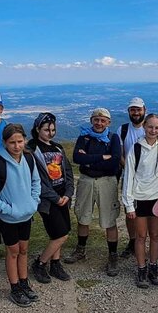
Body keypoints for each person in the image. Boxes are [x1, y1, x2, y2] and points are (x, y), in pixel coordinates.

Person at [0, 124, 41, 307]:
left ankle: (24, 282)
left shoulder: (29, 159)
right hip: (8, 218)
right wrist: (8, 210)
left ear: (25, 140)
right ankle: (14, 287)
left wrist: (33, 202)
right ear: (4, 143)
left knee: (24, 249)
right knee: (13, 251)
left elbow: (36, 182)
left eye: (20, 141)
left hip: (26, 214)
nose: (17, 146)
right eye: (12, 142)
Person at [64, 108, 122, 276]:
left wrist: (89, 161)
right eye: (96, 119)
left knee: (109, 219)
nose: (99, 123)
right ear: (91, 120)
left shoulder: (113, 138)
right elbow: (77, 158)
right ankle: (80, 250)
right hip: (87, 181)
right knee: (83, 216)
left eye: (103, 120)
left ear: (108, 122)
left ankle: (113, 256)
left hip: (107, 182)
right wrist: (102, 157)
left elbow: (115, 162)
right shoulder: (84, 137)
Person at [121, 113, 158, 287]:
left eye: (157, 127)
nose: (153, 130)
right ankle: (141, 269)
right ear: (144, 126)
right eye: (150, 127)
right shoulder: (136, 148)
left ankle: (153, 266)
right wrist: (129, 205)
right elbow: (129, 176)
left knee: (155, 235)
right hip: (140, 198)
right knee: (141, 236)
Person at [27, 112, 75, 283]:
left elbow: (67, 172)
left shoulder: (58, 148)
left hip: (63, 196)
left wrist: (68, 193)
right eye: (46, 130)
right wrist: (55, 198)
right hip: (48, 200)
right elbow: (36, 181)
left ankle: (55, 264)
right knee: (61, 234)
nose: (50, 133)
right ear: (37, 129)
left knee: (60, 232)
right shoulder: (31, 150)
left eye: (53, 130)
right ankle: (40, 263)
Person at [117, 97, 149, 259]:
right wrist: (130, 170)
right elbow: (120, 154)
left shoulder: (149, 128)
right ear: (129, 111)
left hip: (147, 180)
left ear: (144, 110)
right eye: (133, 110)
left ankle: (150, 242)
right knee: (130, 211)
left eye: (138, 109)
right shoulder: (122, 130)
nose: (136, 113)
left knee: (147, 211)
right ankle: (132, 241)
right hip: (128, 178)